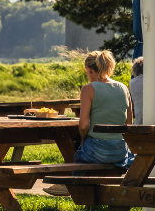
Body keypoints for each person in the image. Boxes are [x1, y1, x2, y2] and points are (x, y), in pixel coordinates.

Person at [44, 51, 134, 196]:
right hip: (120, 152)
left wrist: (83, 139)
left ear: (90, 70)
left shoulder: (88, 89)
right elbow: (128, 123)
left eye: (87, 71)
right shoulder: (123, 88)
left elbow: (84, 125)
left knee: (78, 151)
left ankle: (72, 185)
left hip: (97, 150)